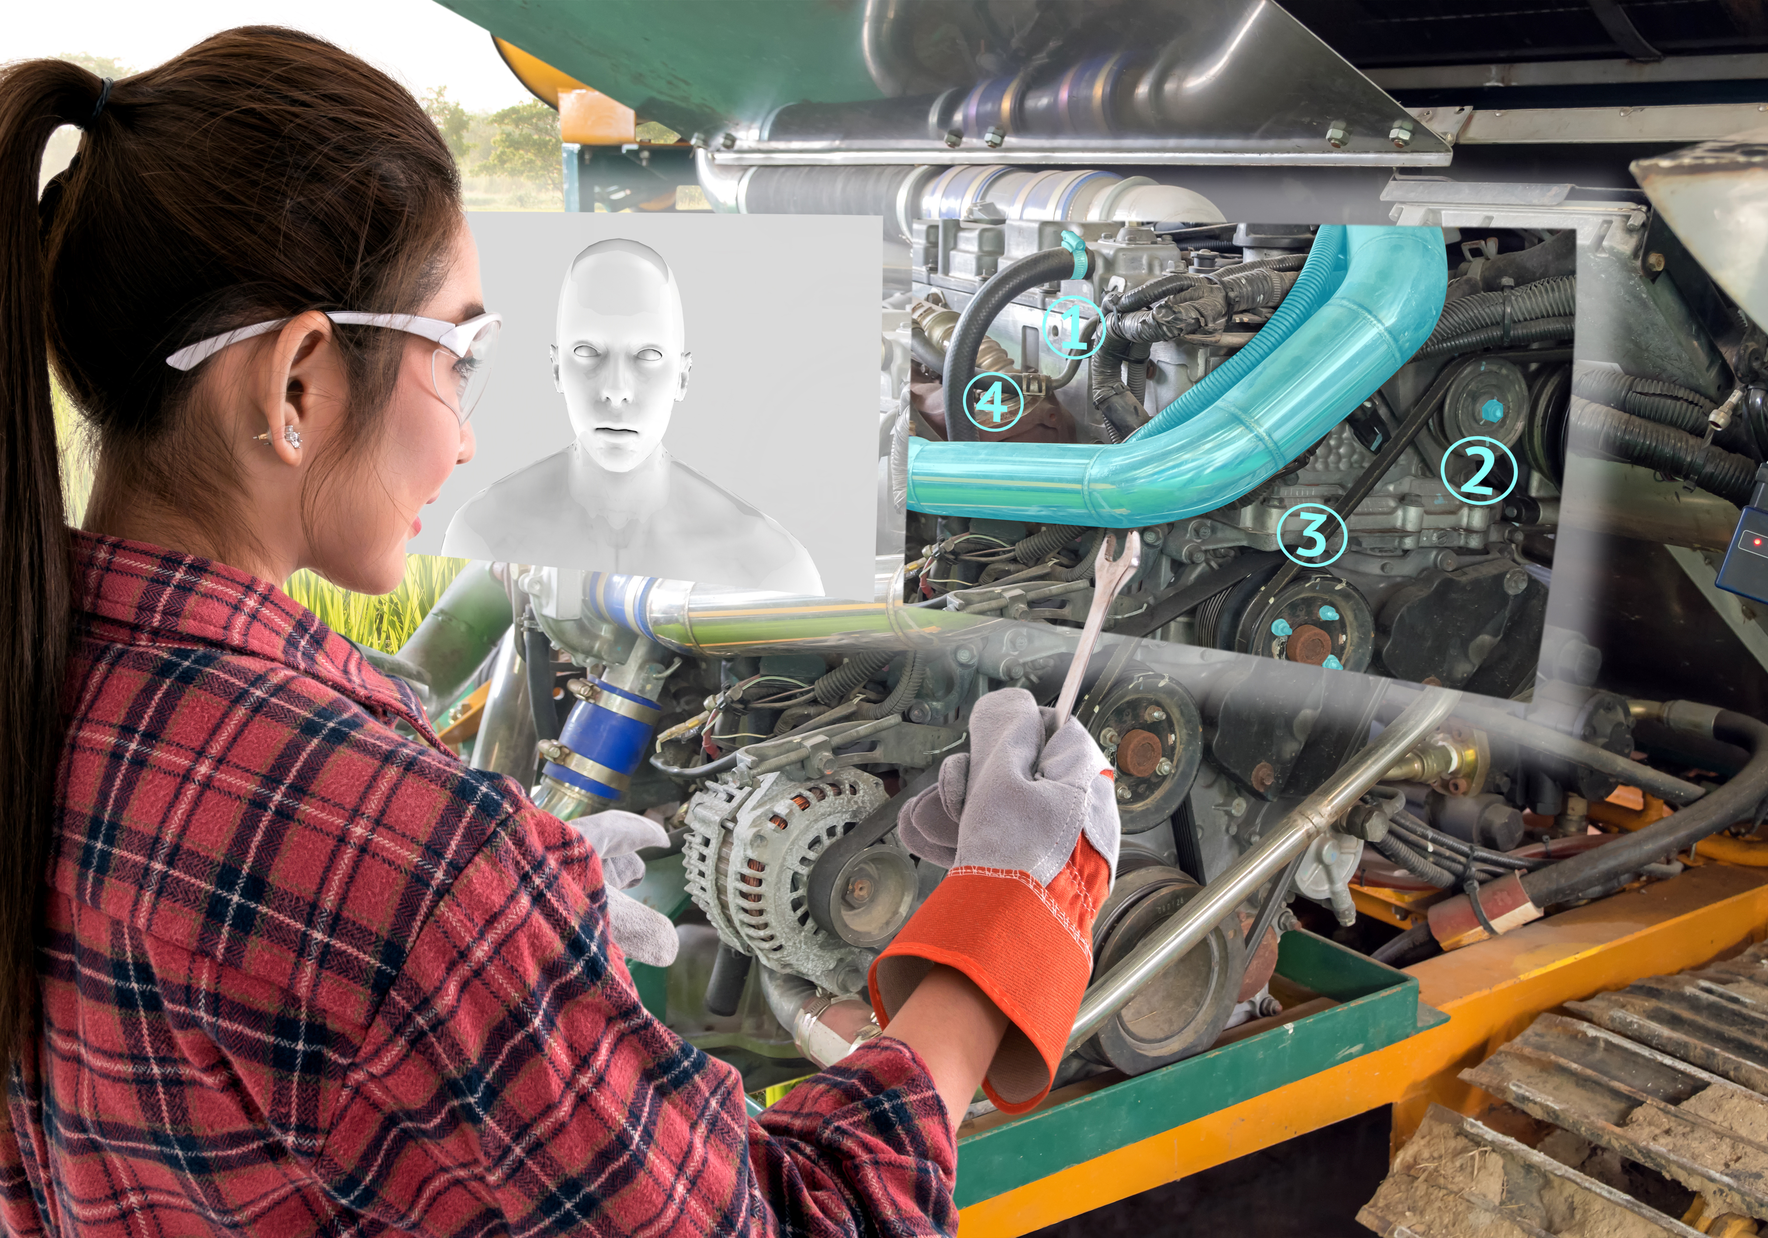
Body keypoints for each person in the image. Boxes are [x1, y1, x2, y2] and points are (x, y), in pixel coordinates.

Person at [0, 30, 1117, 1238]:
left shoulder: (48, 688)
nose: (467, 436)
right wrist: (996, 925)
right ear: (300, 385)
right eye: (456, 358)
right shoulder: (411, 870)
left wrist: (511, 935)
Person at [442, 238, 825, 594]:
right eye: (588, 352)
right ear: (557, 369)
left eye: (647, 356)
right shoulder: (481, 536)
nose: (616, 389)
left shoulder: (770, 569)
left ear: (682, 377)